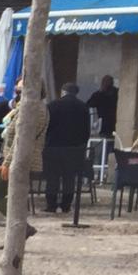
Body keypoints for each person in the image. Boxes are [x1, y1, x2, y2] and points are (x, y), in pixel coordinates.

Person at [0, 92, 46, 216]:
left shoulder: (30, 109)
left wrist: (6, 163)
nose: (17, 93)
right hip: (16, 157)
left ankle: (21, 225)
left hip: (18, 159)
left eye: (20, 90)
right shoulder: (31, 107)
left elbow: (20, 139)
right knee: (14, 195)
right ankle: (20, 225)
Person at [43, 82, 91, 213]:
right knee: (69, 178)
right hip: (74, 149)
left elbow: (46, 126)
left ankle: (51, 204)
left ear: (63, 92)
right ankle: (66, 204)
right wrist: (81, 145)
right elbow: (86, 130)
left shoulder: (52, 105)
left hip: (53, 147)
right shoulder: (83, 107)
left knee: (52, 177)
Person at [86, 74, 118, 140]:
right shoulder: (98, 95)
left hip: (110, 123)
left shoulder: (100, 94)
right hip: (106, 123)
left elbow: (88, 105)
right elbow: (89, 104)